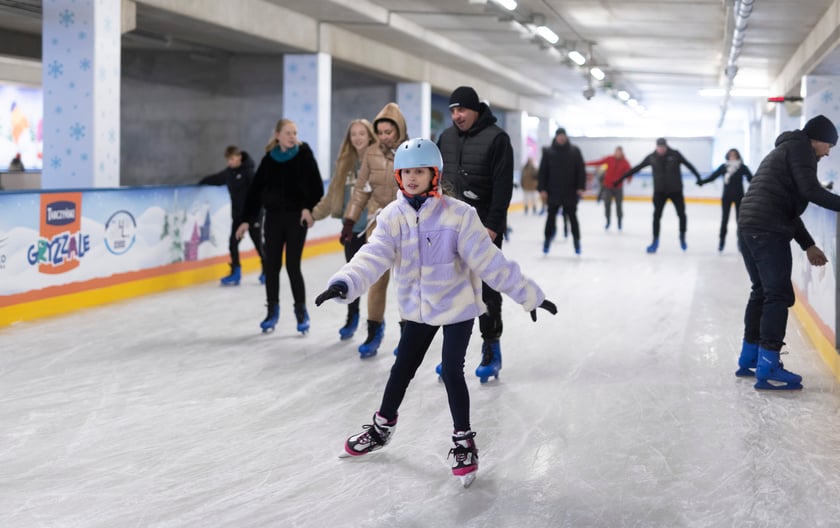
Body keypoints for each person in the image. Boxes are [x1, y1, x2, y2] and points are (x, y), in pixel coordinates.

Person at [314, 138, 556, 487]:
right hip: (417, 309)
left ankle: (463, 441)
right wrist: (345, 282)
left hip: (457, 307)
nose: (412, 178)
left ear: (434, 174)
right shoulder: (392, 217)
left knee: (453, 371)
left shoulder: (459, 215)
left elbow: (490, 262)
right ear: (398, 176)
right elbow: (373, 255)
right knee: (402, 369)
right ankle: (382, 428)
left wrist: (528, 295)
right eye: (406, 172)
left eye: (419, 171)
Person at [736, 114, 840, 390]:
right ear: (816, 139)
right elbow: (812, 192)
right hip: (766, 230)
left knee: (761, 291)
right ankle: (768, 365)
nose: (829, 152)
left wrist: (808, 245)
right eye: (829, 145)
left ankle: (750, 356)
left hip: (749, 226)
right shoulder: (801, 150)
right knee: (778, 295)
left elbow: (787, 208)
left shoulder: (786, 150)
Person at [437, 85, 514, 382]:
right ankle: (453, 357)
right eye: (453, 111)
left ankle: (491, 348)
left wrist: (493, 226)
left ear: (475, 109)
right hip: (450, 227)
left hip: (484, 227)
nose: (457, 115)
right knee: (453, 289)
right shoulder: (445, 138)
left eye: (462, 110)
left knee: (487, 290)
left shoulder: (497, 139)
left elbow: (503, 186)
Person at [236, 118, 324, 334]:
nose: (292, 136)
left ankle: (301, 311)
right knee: (272, 266)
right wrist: (246, 219)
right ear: (277, 135)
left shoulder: (304, 155)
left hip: (297, 218)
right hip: (273, 219)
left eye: (294, 132)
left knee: (293, 266)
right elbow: (255, 193)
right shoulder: (269, 160)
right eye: (288, 132)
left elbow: (316, 186)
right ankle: (272, 310)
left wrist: (308, 208)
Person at [340, 103, 408, 358]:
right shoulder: (370, 154)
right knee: (377, 283)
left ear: (399, 130)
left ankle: (407, 335)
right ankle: (374, 330)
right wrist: (350, 220)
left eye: (388, 132)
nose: (383, 137)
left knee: (405, 284)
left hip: (406, 223)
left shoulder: (411, 151)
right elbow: (361, 190)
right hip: (379, 224)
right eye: (380, 132)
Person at [311, 118, 377, 340]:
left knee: (377, 284)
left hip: (372, 229)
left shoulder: (378, 160)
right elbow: (333, 196)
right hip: (350, 230)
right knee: (352, 276)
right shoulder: (345, 164)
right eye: (354, 134)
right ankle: (352, 317)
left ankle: (376, 325)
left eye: (362, 133)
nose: (358, 137)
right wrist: (314, 215)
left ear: (370, 136)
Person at [616, 137, 703, 253]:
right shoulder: (652, 157)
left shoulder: (675, 154)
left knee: (681, 214)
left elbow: (689, 165)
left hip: (676, 191)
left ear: (666, 146)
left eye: (663, 147)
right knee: (656, 216)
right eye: (659, 147)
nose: (661, 149)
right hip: (659, 192)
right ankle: (655, 242)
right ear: (656, 147)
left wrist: (698, 177)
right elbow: (637, 168)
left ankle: (682, 237)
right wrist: (621, 179)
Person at [199, 145, 265, 286]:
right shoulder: (229, 173)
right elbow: (216, 179)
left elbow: (258, 194)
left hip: (253, 216)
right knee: (233, 244)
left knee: (258, 243)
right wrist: (201, 182)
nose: (230, 163)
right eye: (228, 160)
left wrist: (256, 214)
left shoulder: (249, 173)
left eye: (232, 159)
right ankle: (236, 272)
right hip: (238, 217)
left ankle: (267, 271)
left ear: (239, 157)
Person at [538, 127, 586, 254]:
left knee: (572, 218)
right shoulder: (548, 152)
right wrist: (542, 188)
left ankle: (577, 242)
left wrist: (581, 187)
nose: (561, 138)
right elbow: (543, 171)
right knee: (550, 218)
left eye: (563, 135)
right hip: (553, 191)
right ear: (556, 137)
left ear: (566, 137)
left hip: (570, 191)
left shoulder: (575, 151)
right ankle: (547, 240)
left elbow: (581, 170)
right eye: (559, 135)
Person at [698, 148, 753, 252]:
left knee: (740, 221)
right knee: (724, 220)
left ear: (738, 156)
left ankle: (740, 243)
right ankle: (721, 242)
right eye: (730, 154)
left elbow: (751, 179)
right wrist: (702, 182)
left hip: (739, 197)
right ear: (727, 156)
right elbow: (713, 177)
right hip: (726, 197)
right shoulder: (724, 167)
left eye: (734, 154)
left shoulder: (742, 167)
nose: (732, 156)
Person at [586, 146, 632, 231]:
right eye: (616, 152)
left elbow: (629, 171)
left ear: (621, 153)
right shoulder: (609, 158)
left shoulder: (625, 162)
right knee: (607, 205)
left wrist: (629, 178)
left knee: (619, 206)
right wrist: (586, 163)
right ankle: (608, 221)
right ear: (614, 152)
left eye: (619, 152)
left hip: (618, 187)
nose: (617, 154)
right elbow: (598, 162)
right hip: (608, 187)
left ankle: (619, 222)